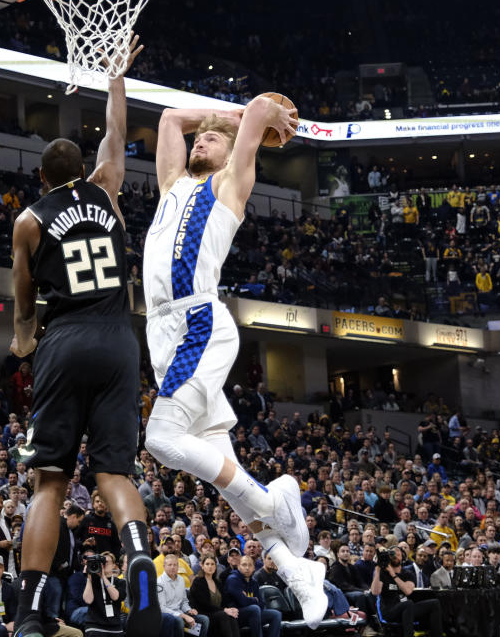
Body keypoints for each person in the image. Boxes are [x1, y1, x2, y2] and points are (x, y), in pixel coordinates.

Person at [142, 93, 324, 626]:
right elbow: (170, 119)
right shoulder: (173, 184)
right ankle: (299, 572)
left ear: (231, 154)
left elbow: (261, 111)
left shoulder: (228, 185)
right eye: (201, 136)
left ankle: (273, 504)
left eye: (213, 138)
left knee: (160, 439)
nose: (200, 138)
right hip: (161, 333)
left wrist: (251, 119)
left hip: (199, 320)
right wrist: (218, 118)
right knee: (229, 478)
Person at [7, 39, 158, 637]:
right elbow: (115, 137)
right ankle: (141, 558)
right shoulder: (108, 190)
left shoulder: (29, 219)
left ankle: (30, 610)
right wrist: (116, 78)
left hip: (64, 338)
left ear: (42, 176)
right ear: (84, 172)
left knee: (50, 479)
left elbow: (23, 307)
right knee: (114, 474)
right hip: (120, 336)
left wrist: (23, 343)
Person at [371, 547, 442, 637]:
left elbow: (407, 591)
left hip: (407, 608)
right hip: (390, 611)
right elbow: (375, 592)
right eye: (393, 555)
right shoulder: (383, 573)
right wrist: (378, 569)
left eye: (398, 554)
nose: (395, 557)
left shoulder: (408, 574)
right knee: (408, 604)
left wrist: (393, 574)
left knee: (434, 603)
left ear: (403, 557)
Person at [157, 553, 208, 637]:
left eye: (175, 565)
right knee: (180, 621)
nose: (172, 567)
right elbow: (162, 608)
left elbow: (184, 601)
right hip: (169, 615)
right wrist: (183, 616)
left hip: (181, 612)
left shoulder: (181, 580)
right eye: (169, 565)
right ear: (164, 566)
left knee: (204, 619)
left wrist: (189, 610)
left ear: (178, 566)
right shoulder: (159, 582)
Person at [189, 555, 240, 637]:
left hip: (218, 612)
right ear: (202, 566)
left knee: (232, 616)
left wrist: (231, 609)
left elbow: (225, 601)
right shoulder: (198, 582)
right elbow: (204, 604)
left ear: (216, 566)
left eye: (212, 564)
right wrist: (225, 610)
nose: (210, 567)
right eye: (207, 564)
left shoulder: (218, 582)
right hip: (204, 613)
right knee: (224, 615)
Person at [80, 552, 124, 637]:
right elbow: (88, 600)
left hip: (115, 628)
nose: (104, 564)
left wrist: (103, 577)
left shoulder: (120, 582)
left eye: (106, 562)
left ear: (113, 565)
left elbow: (115, 597)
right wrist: (89, 578)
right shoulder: (92, 581)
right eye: (102, 562)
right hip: (95, 626)